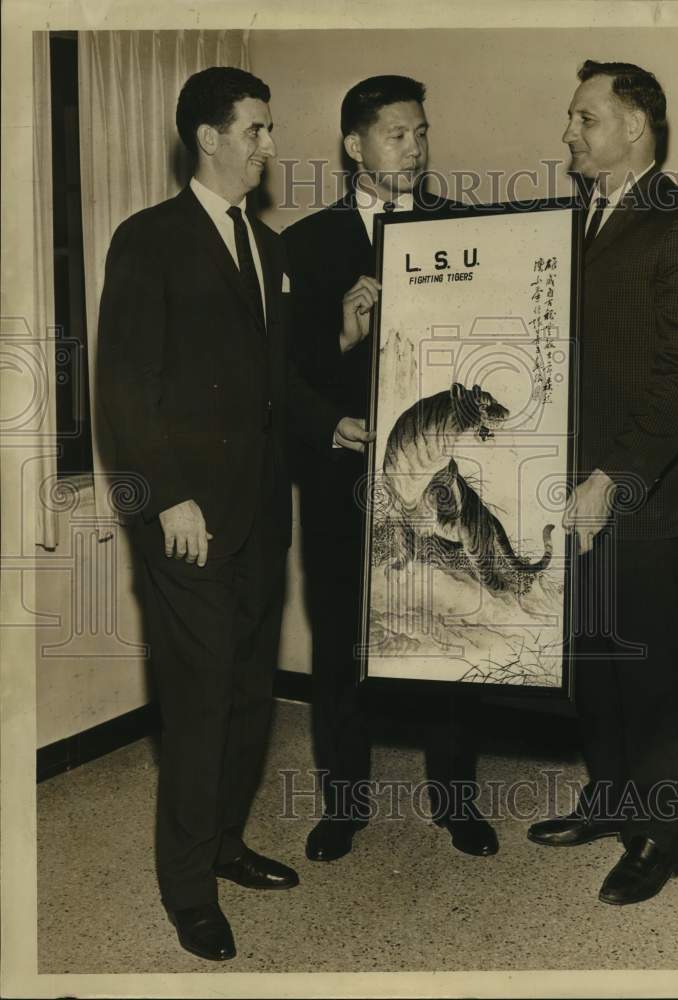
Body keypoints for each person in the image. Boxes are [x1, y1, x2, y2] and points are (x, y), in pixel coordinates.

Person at [97, 66, 371, 962]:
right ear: (208, 138)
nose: (268, 145)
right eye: (254, 129)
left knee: (251, 691)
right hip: (187, 516)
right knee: (202, 697)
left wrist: (334, 417)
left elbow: (274, 383)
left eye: (268, 127)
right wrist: (168, 494)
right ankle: (186, 890)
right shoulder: (149, 240)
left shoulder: (272, 249)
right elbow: (126, 390)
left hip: (262, 513)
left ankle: (224, 846)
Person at [527, 61, 678, 905]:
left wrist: (615, 475)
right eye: (571, 118)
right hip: (571, 499)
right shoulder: (574, 223)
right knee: (594, 664)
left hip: (645, 504)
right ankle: (609, 799)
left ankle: (659, 837)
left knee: (647, 675)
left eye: (584, 117)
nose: (568, 133)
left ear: (635, 127)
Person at [282, 75, 498, 862]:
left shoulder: (469, 233)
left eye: (421, 132)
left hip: (436, 480)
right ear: (354, 147)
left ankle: (457, 799)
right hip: (342, 477)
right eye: (397, 134)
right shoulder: (303, 245)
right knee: (342, 638)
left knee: (447, 627)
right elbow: (283, 373)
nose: (415, 147)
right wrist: (342, 339)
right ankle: (344, 804)